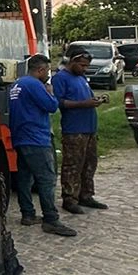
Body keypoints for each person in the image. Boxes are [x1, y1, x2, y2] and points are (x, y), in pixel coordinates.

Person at [8, 54, 76, 237]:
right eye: (48, 70)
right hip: (36, 138)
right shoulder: (35, 85)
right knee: (46, 179)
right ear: (40, 70)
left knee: (24, 177)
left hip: (20, 137)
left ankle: (28, 214)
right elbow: (51, 106)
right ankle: (51, 219)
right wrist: (50, 92)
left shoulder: (16, 85)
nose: (49, 74)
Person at [53, 47, 109, 214]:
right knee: (73, 165)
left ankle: (86, 194)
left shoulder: (81, 77)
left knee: (89, 164)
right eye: (82, 65)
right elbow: (58, 103)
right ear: (72, 61)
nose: (85, 69)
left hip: (90, 128)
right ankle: (69, 198)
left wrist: (97, 100)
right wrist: (83, 104)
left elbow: (85, 97)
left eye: (86, 66)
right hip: (74, 130)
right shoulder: (60, 78)